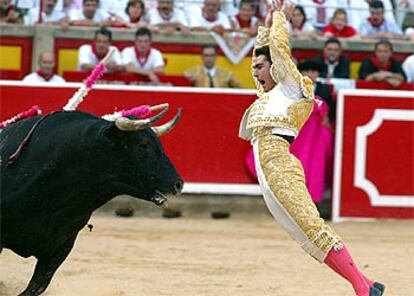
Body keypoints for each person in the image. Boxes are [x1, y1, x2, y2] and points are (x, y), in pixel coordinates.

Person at [238, 1, 385, 295]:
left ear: (277, 69)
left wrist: (280, 18)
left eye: (260, 67)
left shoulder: (293, 86)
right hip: (268, 165)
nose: (255, 72)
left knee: (310, 226)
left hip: (278, 162)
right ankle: (367, 283)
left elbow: (277, 52)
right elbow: (265, 54)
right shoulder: (268, 93)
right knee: (302, 234)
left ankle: (361, 288)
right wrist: (266, 25)